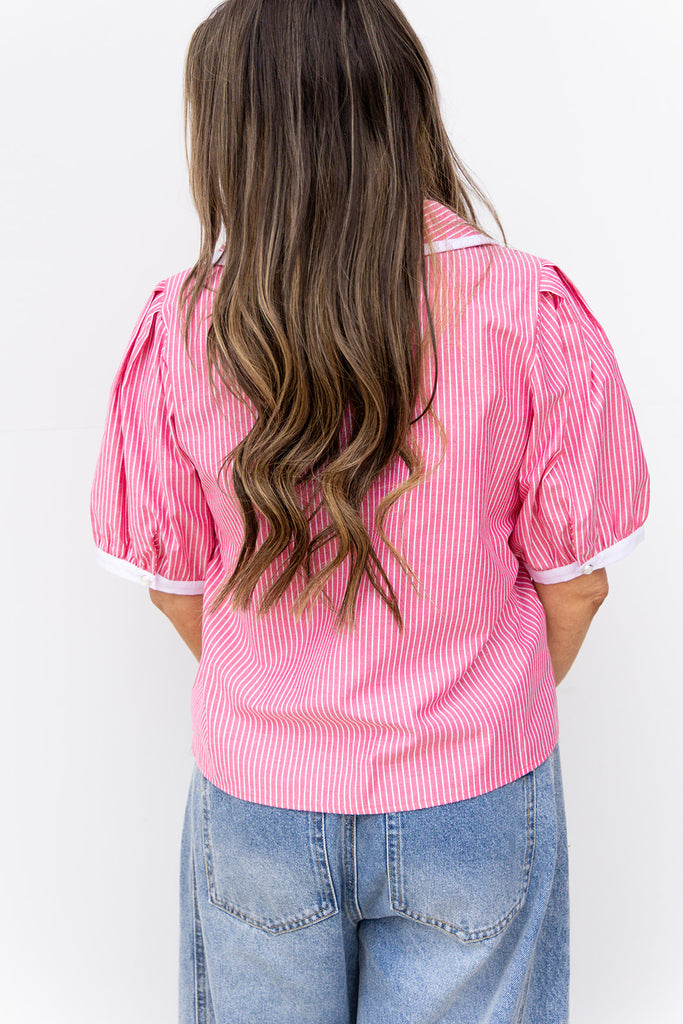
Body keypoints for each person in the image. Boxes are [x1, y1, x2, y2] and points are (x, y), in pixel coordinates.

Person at [89, 2, 650, 1021]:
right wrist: (472, 707)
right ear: (403, 105)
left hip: (257, 805)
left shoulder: (184, 325)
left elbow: (174, 585)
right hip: (472, 797)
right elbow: (577, 584)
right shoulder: (525, 308)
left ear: (233, 133)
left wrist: (287, 694)